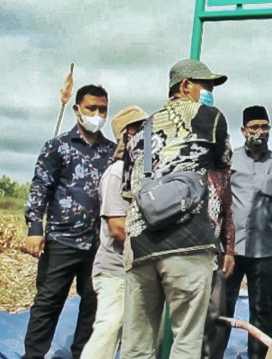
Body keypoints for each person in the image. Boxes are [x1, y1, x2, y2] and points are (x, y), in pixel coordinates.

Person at [121, 59, 231, 359]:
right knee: (186, 340)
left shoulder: (140, 131)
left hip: (140, 247)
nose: (208, 93)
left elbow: (129, 191)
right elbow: (223, 167)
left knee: (137, 344)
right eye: (205, 86)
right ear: (185, 86)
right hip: (187, 241)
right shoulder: (211, 117)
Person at [23, 84, 115, 359]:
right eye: (91, 108)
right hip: (62, 239)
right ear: (77, 110)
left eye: (102, 109)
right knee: (48, 302)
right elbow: (41, 187)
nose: (97, 114)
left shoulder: (111, 152)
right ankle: (34, 354)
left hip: (98, 244)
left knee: (92, 304)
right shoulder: (58, 146)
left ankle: (82, 354)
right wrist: (35, 228)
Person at [222, 106, 272, 359]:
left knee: (263, 314)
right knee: (222, 311)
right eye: (254, 127)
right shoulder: (229, 160)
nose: (260, 132)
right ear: (244, 131)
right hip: (232, 250)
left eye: (264, 127)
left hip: (266, 251)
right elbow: (220, 202)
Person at [82, 106, 148, 359]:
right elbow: (117, 228)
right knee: (108, 330)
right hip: (115, 271)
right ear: (127, 135)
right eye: (141, 130)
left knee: (136, 338)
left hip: (138, 271)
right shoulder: (117, 173)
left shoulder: (145, 174)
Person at [200, 166, 236, 359]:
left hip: (214, 258)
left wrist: (229, 250)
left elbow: (227, 213)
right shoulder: (183, 168)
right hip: (187, 258)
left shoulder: (221, 176)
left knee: (215, 316)